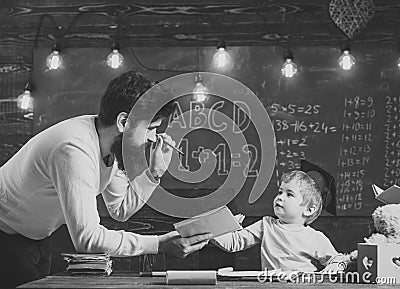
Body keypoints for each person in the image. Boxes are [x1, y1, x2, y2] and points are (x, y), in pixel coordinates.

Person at [0, 71, 211, 288]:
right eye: (150, 129)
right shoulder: (74, 151)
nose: (152, 138)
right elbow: (88, 241)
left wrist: (154, 172)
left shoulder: (111, 145)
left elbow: (120, 209)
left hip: (38, 239)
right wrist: (159, 244)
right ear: (123, 122)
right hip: (6, 238)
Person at [212, 160, 347, 273]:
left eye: (289, 194)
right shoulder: (266, 225)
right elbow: (234, 242)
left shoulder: (315, 238)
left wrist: (334, 266)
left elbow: (338, 259)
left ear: (309, 209)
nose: (280, 198)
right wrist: (210, 230)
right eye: (280, 192)